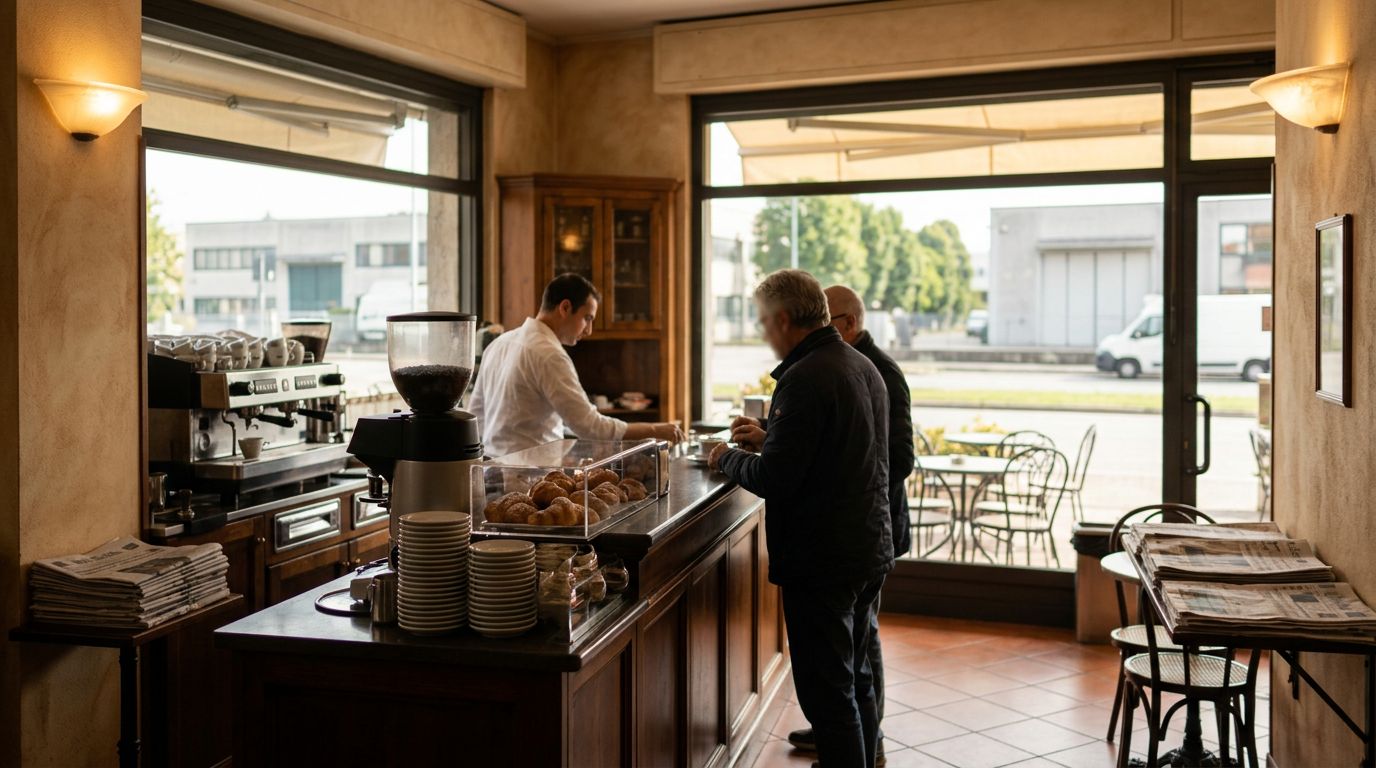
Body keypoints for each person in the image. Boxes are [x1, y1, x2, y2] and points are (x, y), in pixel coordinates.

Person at [708, 269, 894, 768]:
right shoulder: (860, 365)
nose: (764, 333)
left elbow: (775, 478)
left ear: (785, 319)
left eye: (764, 322)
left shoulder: (804, 377)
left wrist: (724, 456)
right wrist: (773, 432)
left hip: (824, 558)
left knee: (828, 694)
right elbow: (836, 448)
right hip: (868, 546)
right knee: (856, 677)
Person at [785, 285, 915, 766]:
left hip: (863, 528)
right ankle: (845, 735)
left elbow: (899, 459)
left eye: (827, 319)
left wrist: (842, 475)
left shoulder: (880, 369)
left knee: (861, 649)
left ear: (849, 322)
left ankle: (868, 741)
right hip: (859, 529)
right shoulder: (842, 363)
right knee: (848, 655)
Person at [469, 273, 682, 455]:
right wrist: (654, 429)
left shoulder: (499, 343)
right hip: (532, 480)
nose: (588, 330)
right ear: (565, 307)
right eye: (587, 318)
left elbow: (476, 416)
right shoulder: (549, 354)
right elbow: (591, 427)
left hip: (493, 472)